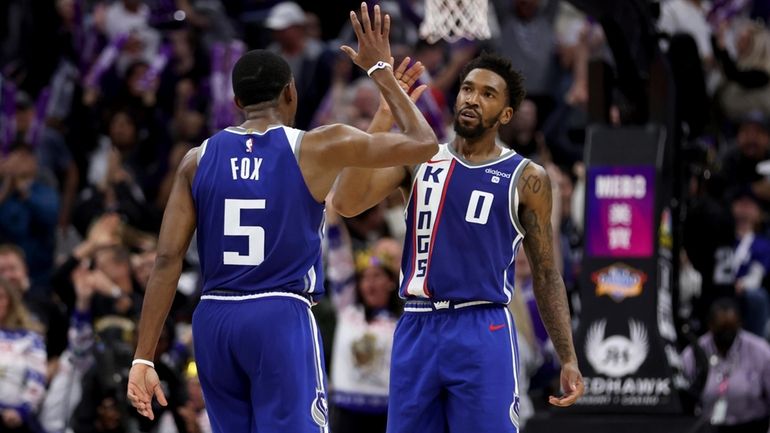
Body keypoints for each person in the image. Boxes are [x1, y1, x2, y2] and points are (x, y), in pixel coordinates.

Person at [126, 4, 438, 433]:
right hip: (278, 314)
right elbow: (423, 142)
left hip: (214, 320)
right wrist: (381, 70)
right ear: (291, 92)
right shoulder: (316, 145)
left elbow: (166, 261)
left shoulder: (196, 160)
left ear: (237, 103)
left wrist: (143, 356)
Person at [333, 51, 585, 432]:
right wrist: (385, 112)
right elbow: (347, 202)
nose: (472, 98)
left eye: (488, 94)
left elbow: (547, 273)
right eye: (467, 89)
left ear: (506, 115)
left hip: (482, 327)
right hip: (417, 324)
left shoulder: (527, 177)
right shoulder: (419, 158)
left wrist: (567, 356)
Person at [681, 298, 770, 433]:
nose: (727, 333)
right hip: (707, 428)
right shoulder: (693, 353)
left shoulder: (760, 351)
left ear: (740, 324)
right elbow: (682, 398)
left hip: (752, 427)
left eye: (731, 327)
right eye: (722, 328)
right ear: (710, 325)